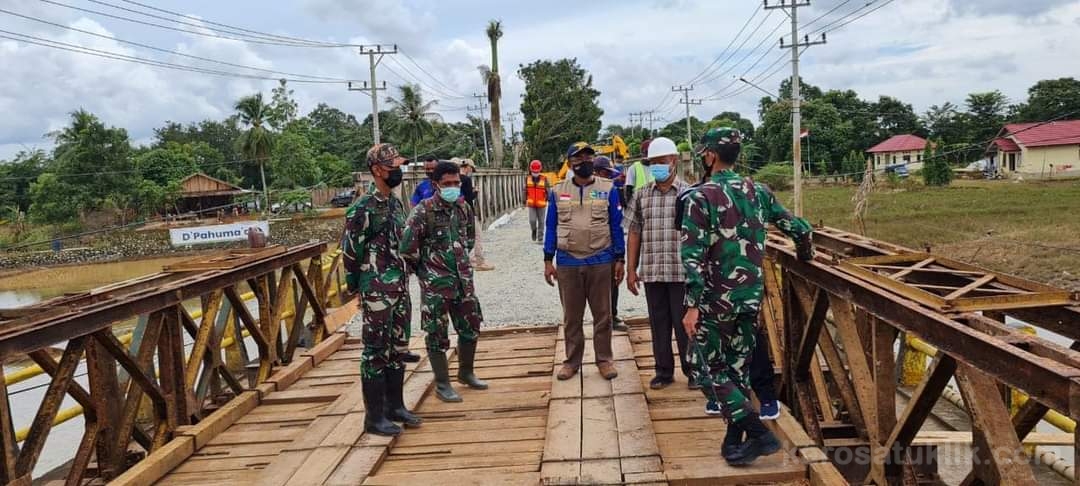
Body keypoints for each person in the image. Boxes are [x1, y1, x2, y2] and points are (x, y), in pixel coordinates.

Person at [680, 127, 814, 465]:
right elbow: (798, 228)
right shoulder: (760, 191)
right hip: (750, 297)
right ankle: (734, 443)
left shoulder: (700, 197)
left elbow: (692, 257)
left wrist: (691, 306)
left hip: (713, 301)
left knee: (705, 370)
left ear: (710, 155)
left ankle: (759, 434)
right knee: (737, 369)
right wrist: (806, 253)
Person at [342, 143, 423, 436]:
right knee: (375, 351)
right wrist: (356, 288)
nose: (399, 172)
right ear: (376, 170)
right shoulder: (362, 208)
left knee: (398, 347)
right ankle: (374, 418)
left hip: (399, 287)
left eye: (400, 166)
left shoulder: (394, 204)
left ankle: (395, 407)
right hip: (376, 289)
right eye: (393, 167)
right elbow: (351, 253)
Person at [400, 161, 489, 402]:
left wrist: (459, 263)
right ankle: (442, 384)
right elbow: (407, 248)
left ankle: (466, 373)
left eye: (456, 183)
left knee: (471, 327)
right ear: (435, 184)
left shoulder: (463, 208)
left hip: (463, 282)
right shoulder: (423, 211)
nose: (452, 187)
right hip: (436, 286)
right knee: (436, 334)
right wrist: (427, 273)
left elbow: (468, 238)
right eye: (447, 183)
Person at [544, 142, 625, 381]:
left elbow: (616, 225)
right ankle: (572, 362)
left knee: (603, 315)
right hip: (568, 261)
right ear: (570, 164)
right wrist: (548, 259)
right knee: (572, 317)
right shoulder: (557, 191)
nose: (584, 162)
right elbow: (551, 226)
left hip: (601, 259)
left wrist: (619, 258)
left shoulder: (608, 188)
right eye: (578, 159)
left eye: (588, 158)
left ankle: (604, 360)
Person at [624, 137, 692, 392]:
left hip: (680, 272)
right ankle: (663, 372)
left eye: (661, 161)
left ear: (673, 160)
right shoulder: (642, 195)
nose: (657, 167)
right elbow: (634, 232)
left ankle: (692, 370)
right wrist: (631, 270)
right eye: (653, 163)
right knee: (658, 324)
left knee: (685, 325)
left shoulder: (688, 194)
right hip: (652, 271)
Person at [592, 156, 629, 333]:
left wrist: (620, 255)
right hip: (591, 249)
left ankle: (611, 316)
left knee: (613, 283)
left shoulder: (612, 191)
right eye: (606, 174)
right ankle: (602, 319)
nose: (609, 178)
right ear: (598, 173)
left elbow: (617, 225)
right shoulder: (586, 193)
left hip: (609, 247)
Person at [525, 160, 551, 243]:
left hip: (541, 204)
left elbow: (548, 189)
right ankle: (534, 230)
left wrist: (549, 199)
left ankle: (540, 238)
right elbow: (524, 190)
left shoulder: (544, 179)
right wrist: (523, 200)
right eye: (534, 171)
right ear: (531, 170)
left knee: (541, 221)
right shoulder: (527, 179)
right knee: (532, 220)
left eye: (537, 171)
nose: (535, 173)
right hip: (531, 204)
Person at [624, 139, 655, 203]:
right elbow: (628, 191)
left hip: (654, 204)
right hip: (639, 205)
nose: (648, 155)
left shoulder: (658, 167)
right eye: (646, 152)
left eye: (651, 152)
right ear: (642, 153)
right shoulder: (633, 168)